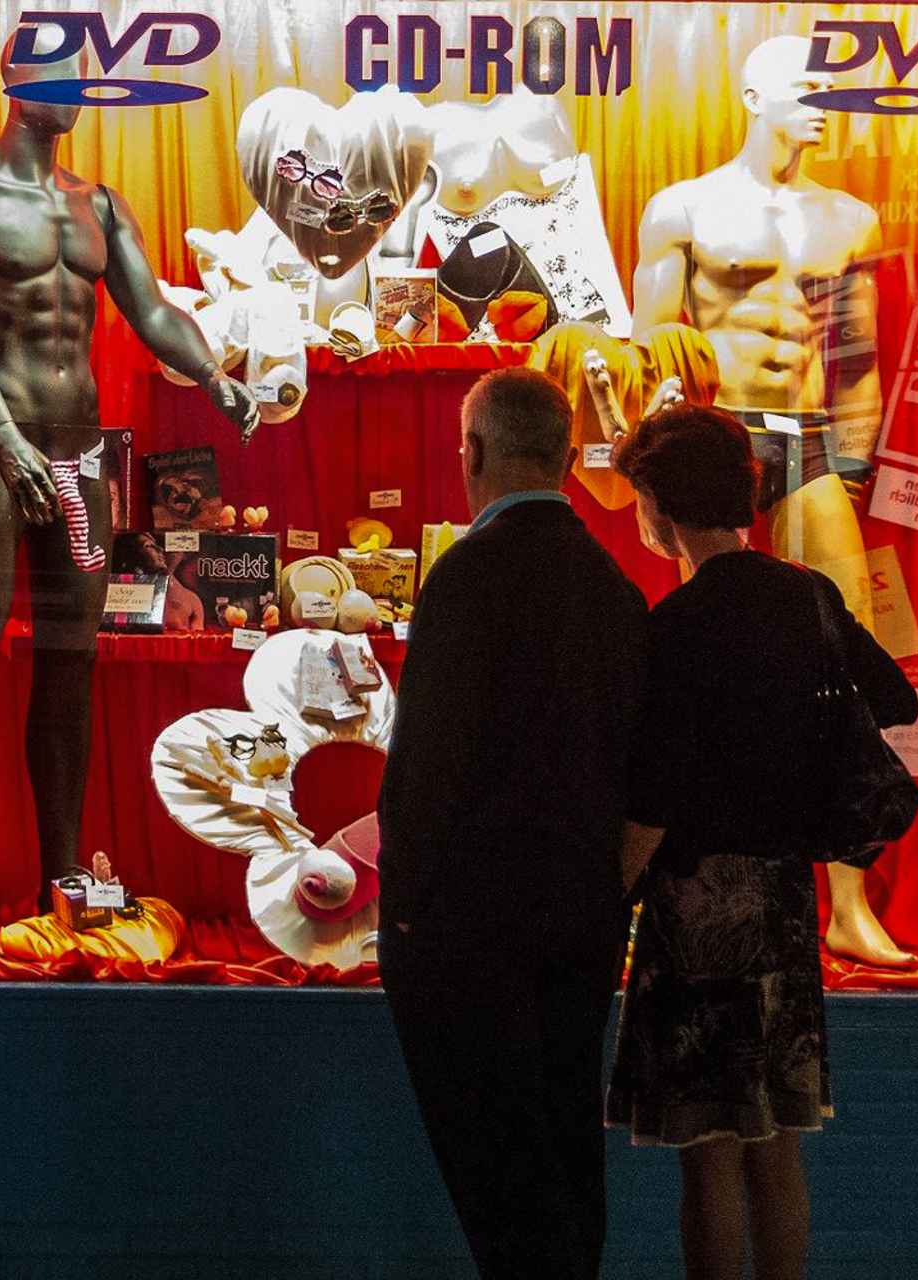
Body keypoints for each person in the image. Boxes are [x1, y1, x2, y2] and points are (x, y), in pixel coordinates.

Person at [0, 34, 257, 951]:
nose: (74, 92)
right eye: (57, 75)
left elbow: (152, 311)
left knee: (71, 663)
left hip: (78, 456)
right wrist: (6, 436)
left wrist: (214, 376)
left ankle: (60, 874)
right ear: (15, 81)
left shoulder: (98, 203)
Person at [604, 405, 918, 1280]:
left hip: (696, 907)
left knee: (708, 1157)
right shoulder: (807, 597)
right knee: (778, 1146)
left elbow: (653, 797)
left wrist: (604, 899)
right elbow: (896, 700)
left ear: (658, 508)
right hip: (783, 900)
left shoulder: (673, 626)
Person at [628, 33, 910, 970]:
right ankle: (678, 884)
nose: (824, 103)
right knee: (702, 665)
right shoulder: (685, 208)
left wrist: (852, 472)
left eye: (831, 87)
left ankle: (848, 906)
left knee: (842, 654)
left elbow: (856, 361)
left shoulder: (849, 219)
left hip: (810, 436)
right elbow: (652, 349)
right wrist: (658, 477)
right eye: (808, 85)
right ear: (754, 94)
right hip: (721, 438)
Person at [378, 366, 649, 1279]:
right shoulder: (614, 584)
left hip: (471, 928)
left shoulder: (465, 576)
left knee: (499, 1175)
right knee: (567, 1148)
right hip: (580, 918)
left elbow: (427, 762)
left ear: (473, 453)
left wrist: (403, 910)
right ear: (570, 462)